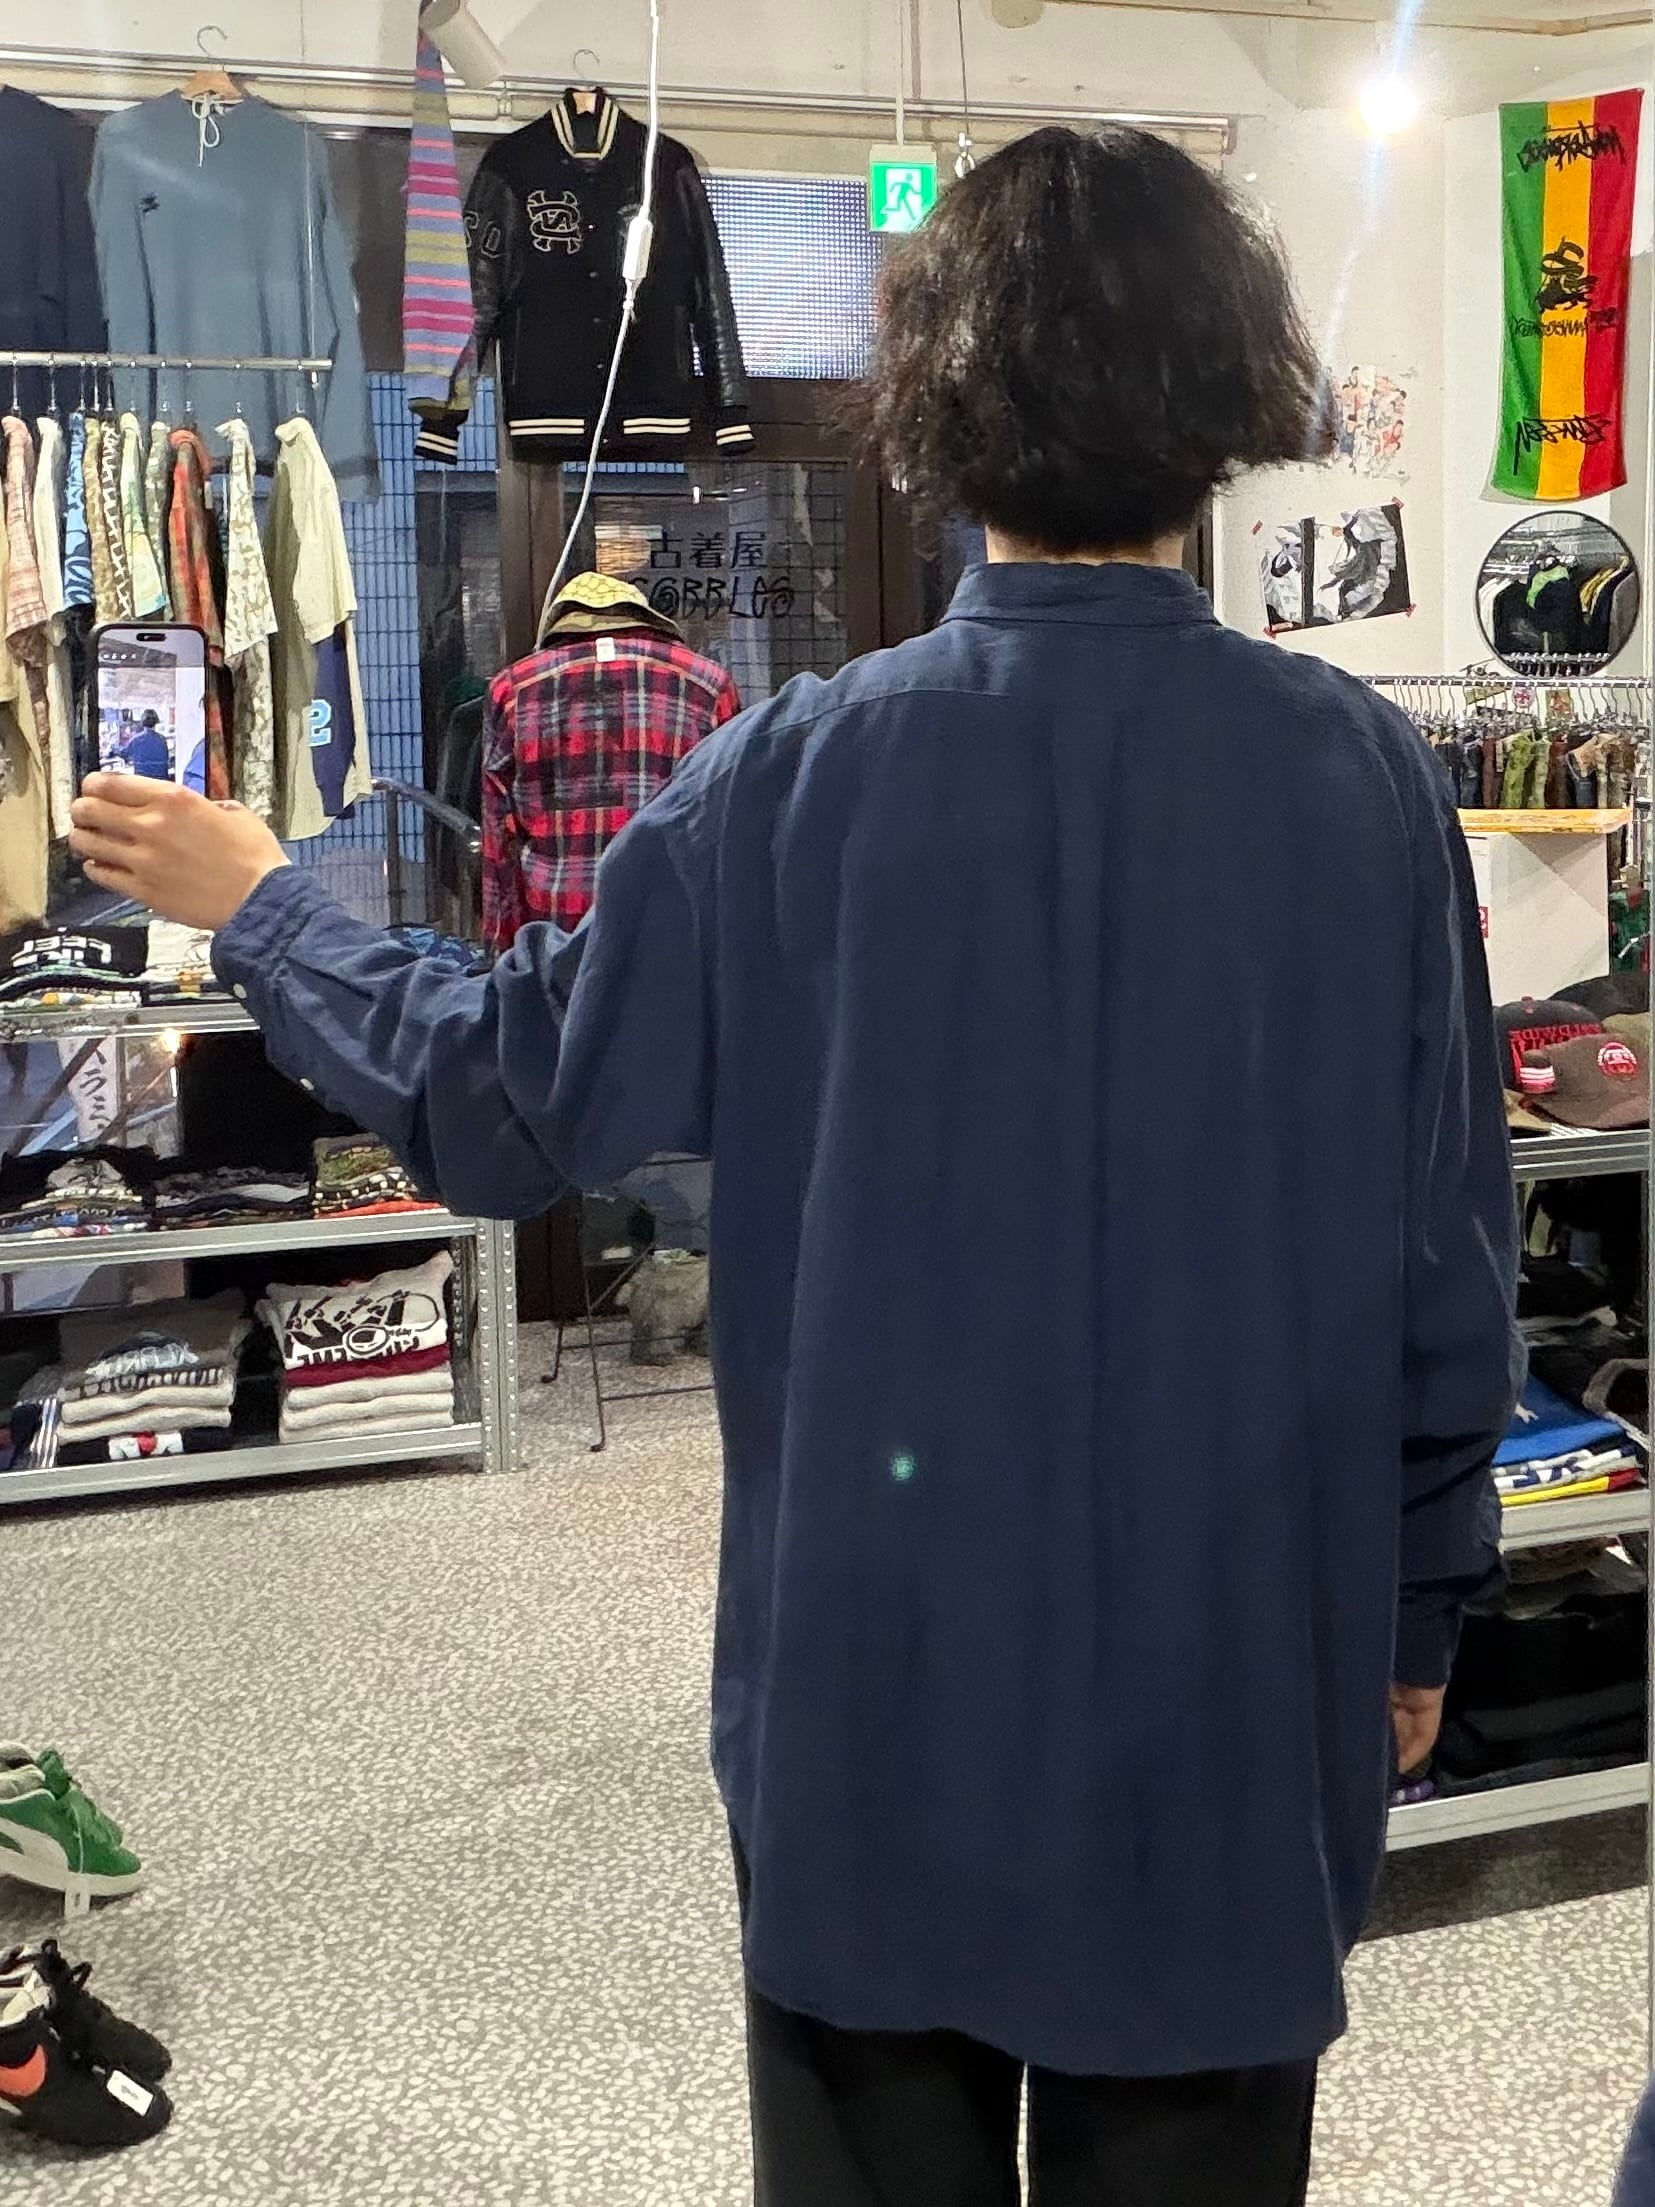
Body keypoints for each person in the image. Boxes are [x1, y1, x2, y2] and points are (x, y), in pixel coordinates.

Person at [69, 125, 1521, 2207]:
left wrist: (271, 905)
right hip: (1226, 1686)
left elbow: (507, 1095)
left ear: (944, 403)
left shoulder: (795, 778)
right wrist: (1420, 1608)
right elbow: (1446, 1259)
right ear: (1229, 396)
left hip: (878, 1696)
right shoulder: (1362, 782)